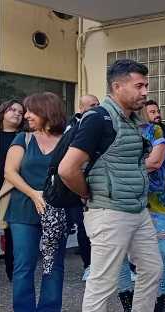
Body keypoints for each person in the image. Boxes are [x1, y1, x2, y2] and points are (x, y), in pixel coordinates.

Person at [59, 59, 165, 312]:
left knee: (153, 267)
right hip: (109, 212)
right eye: (139, 86)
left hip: (137, 210)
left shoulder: (132, 120)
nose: (145, 91)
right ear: (117, 86)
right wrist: (89, 194)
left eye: (145, 85)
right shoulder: (99, 120)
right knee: (102, 284)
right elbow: (68, 169)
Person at [115, 108, 165, 312]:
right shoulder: (114, 129)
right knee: (120, 258)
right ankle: (129, 311)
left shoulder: (155, 131)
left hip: (155, 203)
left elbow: (155, 163)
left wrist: (118, 166)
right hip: (122, 202)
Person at [4, 92, 67, 312]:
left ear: (46, 111)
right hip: (23, 210)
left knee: (53, 265)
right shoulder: (24, 138)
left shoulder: (66, 139)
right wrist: (33, 194)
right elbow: (10, 172)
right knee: (23, 265)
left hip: (56, 211)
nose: (26, 115)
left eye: (31, 110)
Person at [66, 94, 99, 282]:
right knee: (84, 227)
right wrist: (81, 190)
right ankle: (88, 265)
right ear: (81, 108)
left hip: (98, 183)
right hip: (77, 185)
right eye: (91, 105)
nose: (96, 108)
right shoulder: (73, 127)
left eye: (97, 104)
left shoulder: (103, 124)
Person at [0, 99, 25, 282]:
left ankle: (12, 273)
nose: (17, 114)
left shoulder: (24, 138)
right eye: (13, 110)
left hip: (13, 191)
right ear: (3, 112)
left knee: (12, 236)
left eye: (20, 112)